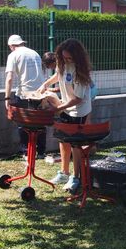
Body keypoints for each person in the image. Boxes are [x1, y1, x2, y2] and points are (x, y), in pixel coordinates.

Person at [39, 39, 93, 193]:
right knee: (63, 141)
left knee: (75, 145)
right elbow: (57, 76)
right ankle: (64, 172)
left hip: (78, 111)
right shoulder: (62, 64)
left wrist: (58, 108)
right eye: (64, 58)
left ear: (77, 56)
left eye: (70, 58)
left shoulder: (82, 71)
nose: (67, 61)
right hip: (65, 107)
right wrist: (46, 84)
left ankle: (75, 177)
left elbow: (78, 99)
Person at [3, 34, 46, 156]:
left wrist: (7, 97)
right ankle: (41, 151)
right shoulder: (34, 53)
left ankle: (26, 151)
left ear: (11, 46)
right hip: (40, 93)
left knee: (22, 124)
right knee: (40, 123)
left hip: (25, 93)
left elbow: (9, 78)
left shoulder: (13, 55)